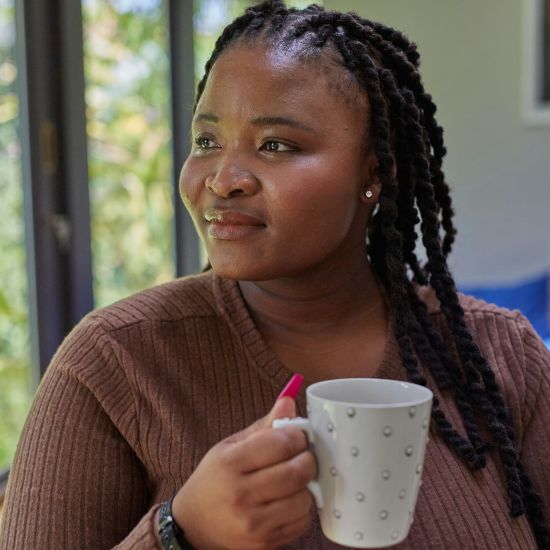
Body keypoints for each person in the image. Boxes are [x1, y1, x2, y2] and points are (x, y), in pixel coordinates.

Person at [1, 1, 549, 548]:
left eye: (276, 145)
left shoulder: (506, 358)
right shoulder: (112, 366)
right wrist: (180, 533)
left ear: (375, 172)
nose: (224, 179)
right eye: (206, 142)